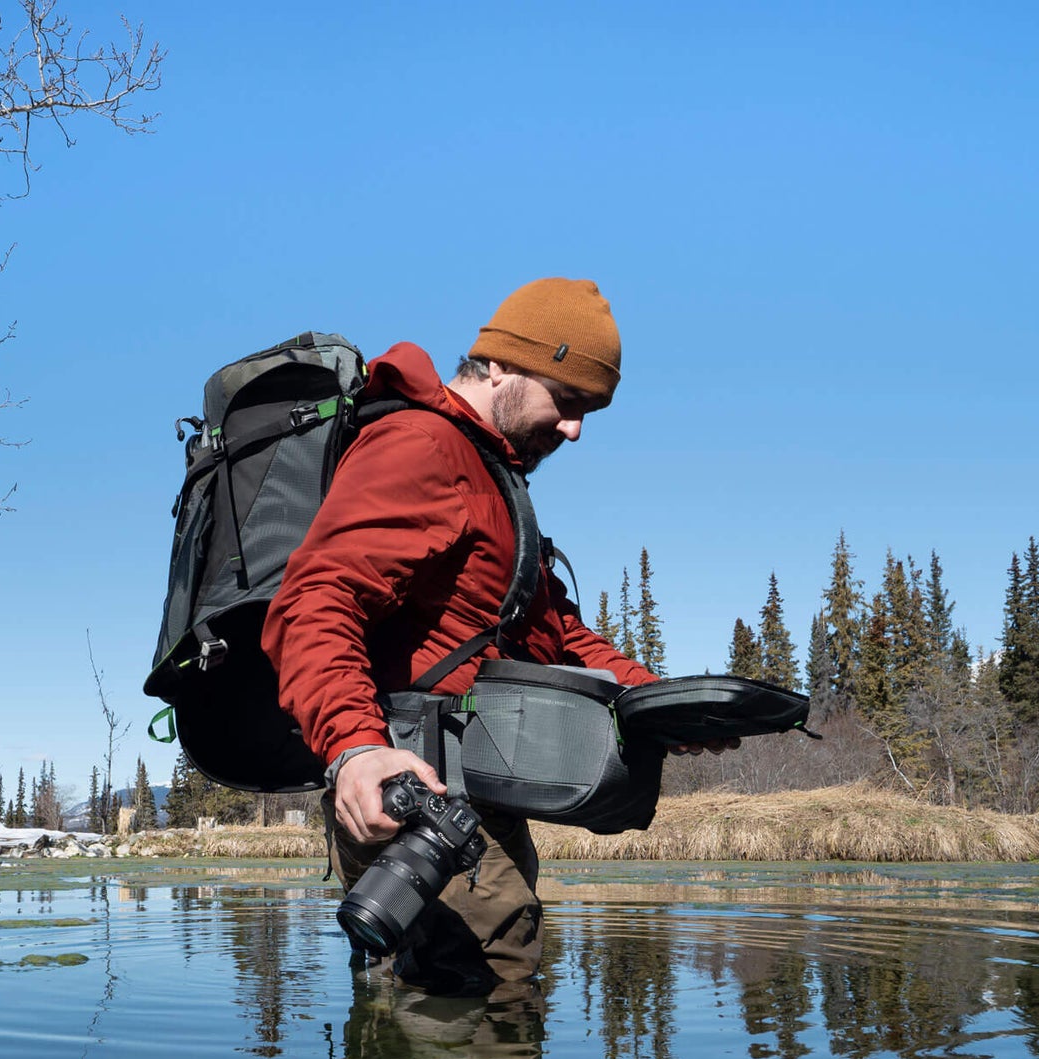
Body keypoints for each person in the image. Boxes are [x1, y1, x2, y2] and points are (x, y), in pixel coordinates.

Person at [262, 278, 729, 996]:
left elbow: (553, 632)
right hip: (421, 801)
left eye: (589, 411)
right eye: (567, 400)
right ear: (502, 365)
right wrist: (354, 748)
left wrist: (657, 702)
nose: (575, 429)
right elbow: (315, 599)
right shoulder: (420, 444)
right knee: (470, 1037)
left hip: (473, 806)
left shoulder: (489, 474)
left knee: (461, 1030)